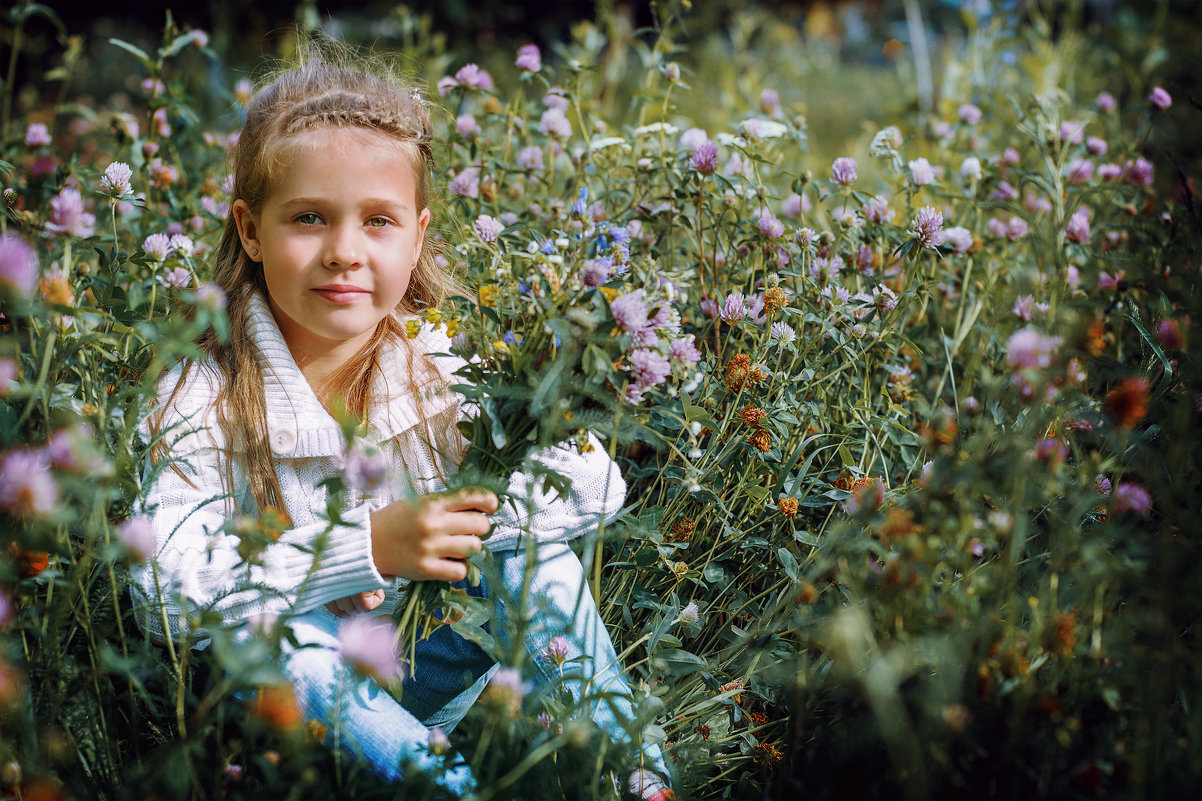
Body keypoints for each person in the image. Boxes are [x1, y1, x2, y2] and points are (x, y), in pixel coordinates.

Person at [130, 49, 672, 800]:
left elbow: (592, 485)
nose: (344, 252)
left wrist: (452, 523)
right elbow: (164, 589)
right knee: (296, 651)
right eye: (310, 218)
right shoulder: (205, 387)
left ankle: (636, 776)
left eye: (377, 221)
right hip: (281, 715)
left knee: (533, 561)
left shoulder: (433, 359)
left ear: (416, 236)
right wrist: (366, 546)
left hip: (414, 676)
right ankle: (447, 788)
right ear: (250, 231)